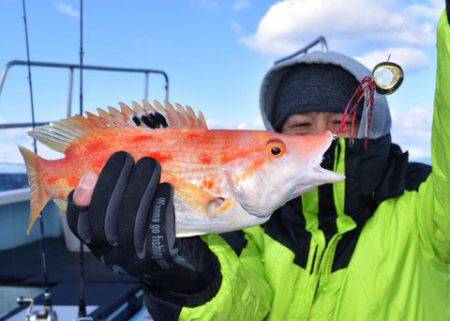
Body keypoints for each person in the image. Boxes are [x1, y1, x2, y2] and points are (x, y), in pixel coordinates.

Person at [66, 8, 449, 321]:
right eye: (298, 129)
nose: (323, 138)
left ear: (374, 129)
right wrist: (189, 282)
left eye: (341, 123)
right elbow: (244, 307)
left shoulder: (427, 209)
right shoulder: (254, 226)